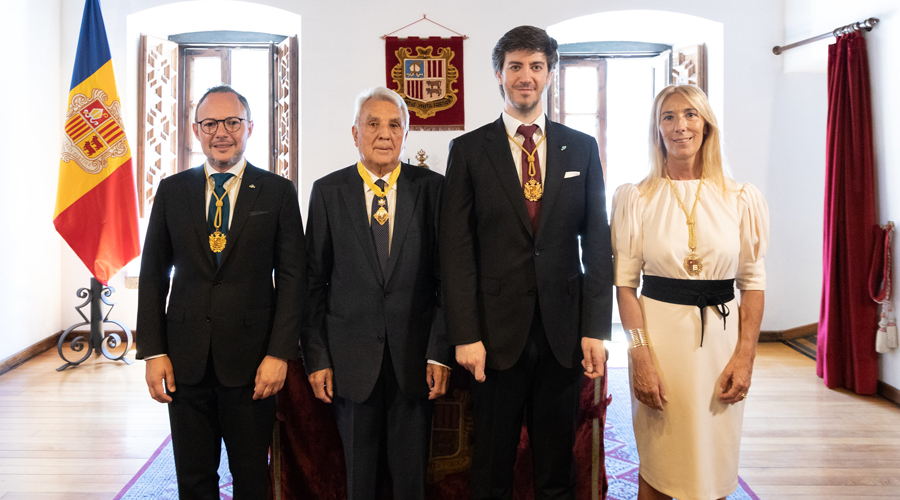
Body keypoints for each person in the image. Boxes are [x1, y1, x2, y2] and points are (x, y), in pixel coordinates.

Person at [441, 25, 613, 499]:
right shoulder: (470, 150)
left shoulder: (581, 148)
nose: (525, 76)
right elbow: (455, 251)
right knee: (492, 463)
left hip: (563, 333)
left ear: (550, 75)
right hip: (494, 338)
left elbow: (597, 242)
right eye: (515, 66)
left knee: (556, 465)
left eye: (536, 66)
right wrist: (466, 335)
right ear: (499, 74)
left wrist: (596, 327)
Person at [136, 85, 306, 500]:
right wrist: (154, 352)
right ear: (196, 130)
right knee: (193, 478)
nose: (221, 133)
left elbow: (292, 279)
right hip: (184, 359)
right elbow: (153, 275)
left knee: (251, 477)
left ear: (249, 127)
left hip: (252, 364)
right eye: (210, 123)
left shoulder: (277, 192)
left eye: (232, 122)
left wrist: (279, 353)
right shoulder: (172, 191)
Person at [610, 84, 768, 500]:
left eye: (690, 114)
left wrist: (746, 355)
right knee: (659, 466)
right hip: (659, 344)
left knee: (713, 466)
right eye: (669, 117)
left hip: (722, 344)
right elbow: (625, 286)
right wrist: (639, 354)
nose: (680, 126)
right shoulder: (637, 198)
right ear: (657, 129)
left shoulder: (740, 198)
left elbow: (753, 283)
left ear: (707, 124)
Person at [302, 86, 451, 500]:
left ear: (406, 134)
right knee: (359, 484)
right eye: (373, 124)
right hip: (350, 364)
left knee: (410, 484)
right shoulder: (329, 192)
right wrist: (316, 358)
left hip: (414, 361)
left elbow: (447, 281)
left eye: (394, 125)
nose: (384, 134)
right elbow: (313, 283)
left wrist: (439, 350)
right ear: (355, 134)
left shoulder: (434, 190)